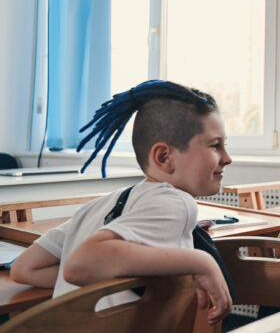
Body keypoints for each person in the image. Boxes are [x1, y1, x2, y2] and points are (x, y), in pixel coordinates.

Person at [10, 80, 233, 325]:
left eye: (225, 145)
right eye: (215, 145)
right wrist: (202, 261)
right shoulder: (177, 202)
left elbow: (24, 268)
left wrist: (109, 282)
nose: (227, 158)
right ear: (164, 157)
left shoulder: (100, 205)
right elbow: (80, 264)